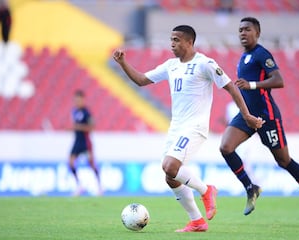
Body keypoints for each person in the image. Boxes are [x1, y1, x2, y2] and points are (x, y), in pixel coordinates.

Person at [113, 25, 264, 232]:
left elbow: (230, 87)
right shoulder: (171, 65)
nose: (172, 43)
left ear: (189, 42)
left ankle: (207, 190)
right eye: (171, 39)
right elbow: (141, 80)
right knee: (170, 177)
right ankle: (197, 221)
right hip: (176, 128)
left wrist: (246, 115)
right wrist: (123, 63)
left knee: (169, 167)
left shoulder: (205, 64)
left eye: (176, 39)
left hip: (195, 127)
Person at [219, 17, 299, 224]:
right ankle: (251, 188)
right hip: (247, 115)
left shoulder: (261, 54)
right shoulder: (244, 57)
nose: (242, 33)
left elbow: (279, 80)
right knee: (225, 147)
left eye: (247, 29)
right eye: (240, 30)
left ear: (257, 33)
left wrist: (252, 85)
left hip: (267, 116)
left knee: (283, 161)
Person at [69, 90, 101, 196]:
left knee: (91, 164)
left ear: (83, 100)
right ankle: (79, 185)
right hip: (77, 141)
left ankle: (99, 186)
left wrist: (78, 127)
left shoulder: (87, 113)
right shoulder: (74, 112)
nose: (77, 102)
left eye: (79, 100)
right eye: (75, 100)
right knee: (71, 162)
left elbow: (92, 127)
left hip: (86, 142)